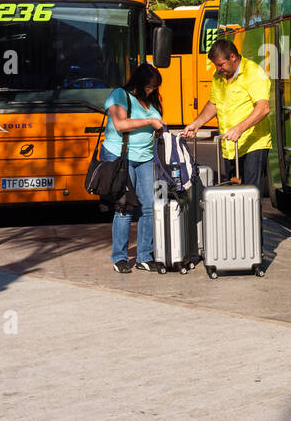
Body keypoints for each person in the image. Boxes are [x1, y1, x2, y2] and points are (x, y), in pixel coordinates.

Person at [100, 63, 165, 273]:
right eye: (149, 86)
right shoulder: (120, 95)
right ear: (139, 82)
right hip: (121, 156)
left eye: (155, 87)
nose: (152, 90)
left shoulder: (151, 102)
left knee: (148, 206)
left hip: (145, 158)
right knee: (124, 207)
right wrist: (150, 121)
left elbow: (156, 126)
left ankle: (145, 256)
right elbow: (119, 124)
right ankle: (120, 257)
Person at [182, 39, 271, 187]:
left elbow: (263, 108)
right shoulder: (219, 77)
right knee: (233, 194)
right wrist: (196, 124)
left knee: (250, 194)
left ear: (232, 57)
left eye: (220, 64)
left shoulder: (253, 72)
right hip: (230, 145)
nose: (218, 69)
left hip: (252, 144)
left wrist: (240, 128)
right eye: (216, 65)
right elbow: (213, 104)